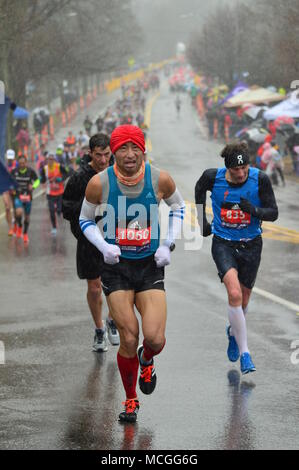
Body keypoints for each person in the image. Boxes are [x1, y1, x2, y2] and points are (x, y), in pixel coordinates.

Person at [79, 125, 185, 423]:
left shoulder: (159, 178)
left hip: (150, 265)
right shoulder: (99, 183)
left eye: (134, 148)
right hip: (116, 269)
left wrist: (168, 243)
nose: (128, 154)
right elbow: (85, 220)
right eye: (122, 148)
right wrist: (103, 246)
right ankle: (130, 400)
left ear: (143, 150)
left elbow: (179, 207)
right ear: (113, 152)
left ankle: (147, 358)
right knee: (128, 336)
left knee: (154, 338)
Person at [195, 141, 278, 375]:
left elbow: (274, 212)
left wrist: (255, 211)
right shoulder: (213, 177)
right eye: (235, 170)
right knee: (234, 293)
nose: (241, 174)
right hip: (223, 243)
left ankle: (232, 332)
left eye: (244, 169)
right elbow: (199, 190)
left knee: (243, 301)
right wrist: (202, 220)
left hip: (252, 244)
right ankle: (245, 353)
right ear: (227, 168)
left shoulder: (260, 179)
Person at [62, 133, 120, 353]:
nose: (104, 160)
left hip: (116, 237)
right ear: (90, 154)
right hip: (89, 240)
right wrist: (90, 210)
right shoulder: (79, 177)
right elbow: (66, 208)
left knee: (116, 286)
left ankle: (113, 320)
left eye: (107, 155)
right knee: (95, 288)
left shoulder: (118, 171)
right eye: (99, 155)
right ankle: (99, 329)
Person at [11, 155, 40, 243]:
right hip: (18, 195)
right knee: (18, 212)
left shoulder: (30, 171)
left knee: (27, 217)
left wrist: (33, 187)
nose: (22, 165)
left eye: (23, 163)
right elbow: (10, 181)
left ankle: (25, 233)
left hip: (28, 196)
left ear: (26, 162)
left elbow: (37, 180)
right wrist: (12, 188)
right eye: (20, 163)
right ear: (18, 163)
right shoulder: (14, 171)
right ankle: (19, 226)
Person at [40, 153, 68, 235]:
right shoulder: (45, 169)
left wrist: (61, 179)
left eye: (52, 159)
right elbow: (42, 180)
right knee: (51, 211)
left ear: (54, 160)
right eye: (49, 159)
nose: (50, 161)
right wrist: (41, 181)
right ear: (47, 160)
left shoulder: (59, 166)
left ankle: (58, 210)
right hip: (50, 193)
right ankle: (54, 227)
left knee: (59, 210)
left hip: (59, 192)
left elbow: (66, 173)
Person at [2, 149, 17, 235]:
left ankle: (15, 224)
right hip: (6, 189)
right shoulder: (3, 165)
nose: (10, 160)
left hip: (14, 189)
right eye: (8, 158)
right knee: (7, 208)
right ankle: (10, 228)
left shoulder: (18, 164)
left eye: (11, 158)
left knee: (16, 208)